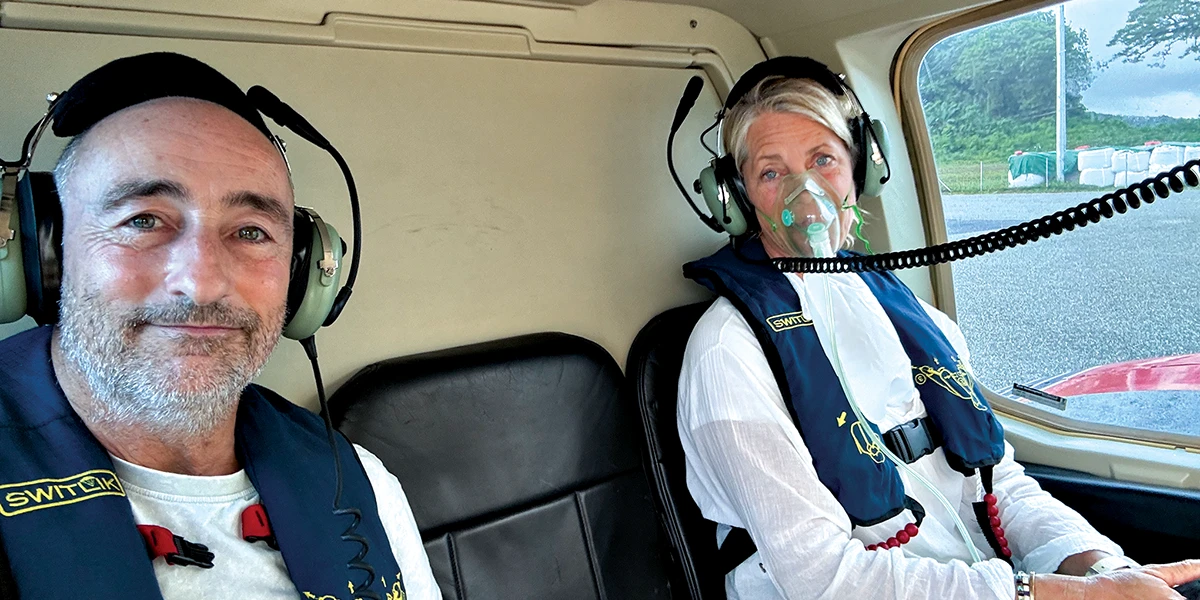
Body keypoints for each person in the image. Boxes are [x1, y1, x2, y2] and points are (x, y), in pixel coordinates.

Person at [677, 56, 1200, 600]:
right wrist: (1055, 594)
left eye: (823, 158)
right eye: (771, 171)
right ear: (735, 199)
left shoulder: (911, 314)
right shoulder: (727, 351)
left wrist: (1100, 572)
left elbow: (1002, 486)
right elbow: (821, 580)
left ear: (861, 170)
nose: (805, 190)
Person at [0, 52, 439, 599]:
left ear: (302, 272)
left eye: (251, 231)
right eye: (143, 220)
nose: (203, 283)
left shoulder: (359, 480)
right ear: (42, 255)